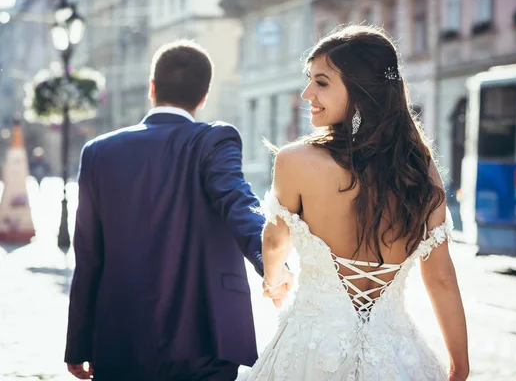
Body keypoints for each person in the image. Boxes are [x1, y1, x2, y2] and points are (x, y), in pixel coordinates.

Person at [239, 26, 469, 380]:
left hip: (309, 352)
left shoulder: (294, 161)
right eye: (310, 80)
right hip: (397, 357)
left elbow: (273, 240)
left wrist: (275, 280)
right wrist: (459, 365)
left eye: (322, 82)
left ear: (361, 91)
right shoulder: (420, 169)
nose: (306, 93)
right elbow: (440, 276)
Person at [64, 40, 271, 381]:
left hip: (120, 338)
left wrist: (79, 343)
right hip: (204, 336)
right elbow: (239, 203)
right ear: (204, 96)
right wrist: (270, 258)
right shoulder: (214, 141)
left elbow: (88, 256)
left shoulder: (98, 152)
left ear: (152, 87)